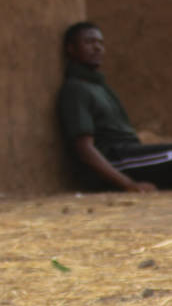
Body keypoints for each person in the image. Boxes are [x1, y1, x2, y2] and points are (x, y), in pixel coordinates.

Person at [58, 22, 172, 192]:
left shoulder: (99, 86)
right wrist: (128, 184)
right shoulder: (75, 89)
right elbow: (84, 148)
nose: (97, 47)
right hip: (115, 160)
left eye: (100, 43)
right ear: (71, 49)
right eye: (89, 42)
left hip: (131, 156)